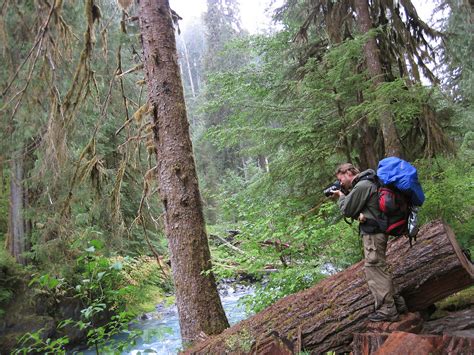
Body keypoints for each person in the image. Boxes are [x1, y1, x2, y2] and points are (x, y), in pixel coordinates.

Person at [332, 163, 407, 322]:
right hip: (377, 232)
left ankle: (387, 309)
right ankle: (398, 304)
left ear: (348, 173)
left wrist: (340, 196)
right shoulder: (369, 182)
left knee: (374, 269)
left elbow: (347, 209)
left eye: (341, 179)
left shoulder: (362, 185)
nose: (341, 183)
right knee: (381, 268)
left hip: (373, 234)